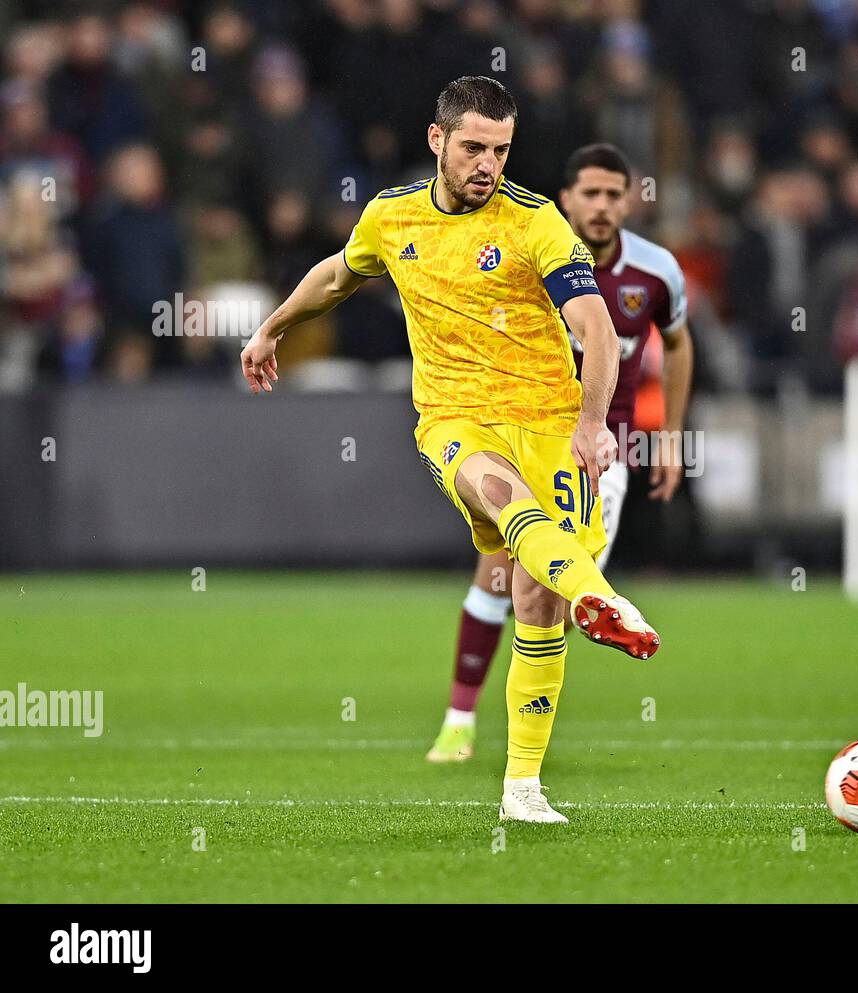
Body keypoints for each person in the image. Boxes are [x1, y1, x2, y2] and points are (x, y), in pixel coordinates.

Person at [238, 77, 660, 825]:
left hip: (551, 421)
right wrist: (272, 326)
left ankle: (522, 790)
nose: (487, 163)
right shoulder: (392, 216)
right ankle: (600, 593)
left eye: (500, 149)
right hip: (455, 418)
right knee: (497, 495)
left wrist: (593, 423)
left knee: (536, 600)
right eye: (472, 147)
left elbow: (597, 330)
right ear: (438, 140)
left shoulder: (537, 223)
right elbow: (340, 273)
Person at [428, 142, 693, 765]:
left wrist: (673, 434)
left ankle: (520, 752)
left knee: (549, 595)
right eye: (590, 194)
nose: (601, 207)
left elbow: (678, 345)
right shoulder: (530, 250)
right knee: (498, 576)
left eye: (613, 194)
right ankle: (459, 721)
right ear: (566, 199)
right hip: (518, 433)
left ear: (628, 200)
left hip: (602, 453)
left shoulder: (656, 272)